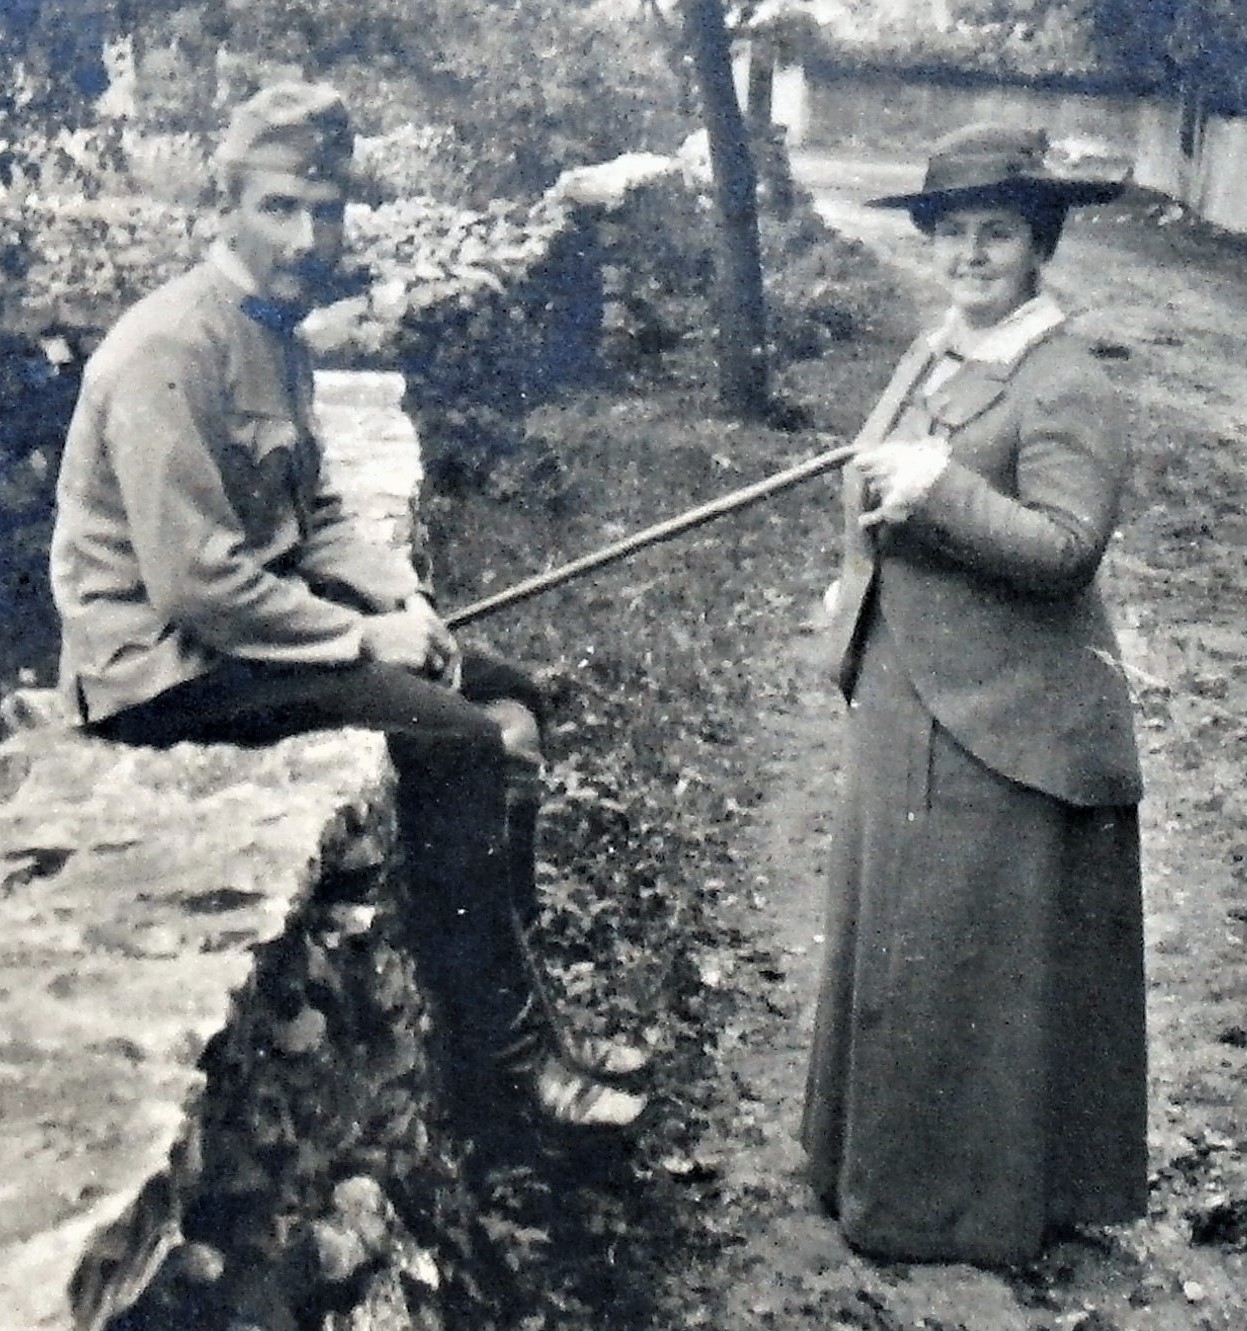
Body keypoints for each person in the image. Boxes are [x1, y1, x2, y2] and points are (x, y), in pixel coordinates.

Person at [50, 81, 648, 1132]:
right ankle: (507, 1068)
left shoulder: (273, 331)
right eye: (281, 207)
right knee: (459, 739)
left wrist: (399, 594)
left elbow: (315, 509)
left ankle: (527, 1008)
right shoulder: (167, 349)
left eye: (325, 210)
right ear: (223, 205)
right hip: (164, 669)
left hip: (243, 635)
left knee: (505, 690)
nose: (308, 235)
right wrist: (363, 637)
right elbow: (200, 585)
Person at [801, 123, 1146, 1266]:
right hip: (914, 683)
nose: (971, 254)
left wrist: (939, 487)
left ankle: (949, 1210)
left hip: (1007, 714)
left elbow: (1064, 547)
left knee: (960, 951)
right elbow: (875, 478)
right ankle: (874, 1174)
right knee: (899, 936)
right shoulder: (937, 350)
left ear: (1038, 241)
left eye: (996, 232)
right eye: (951, 232)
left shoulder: (1064, 379)